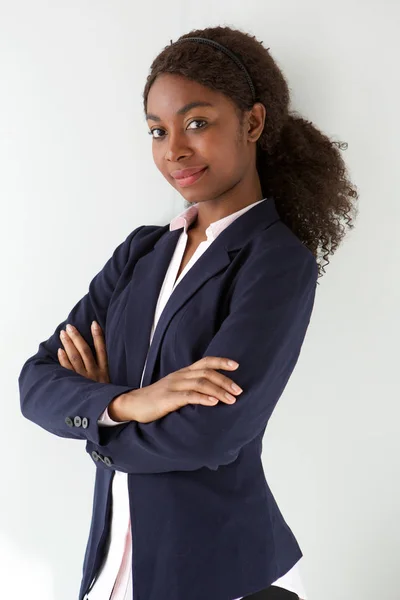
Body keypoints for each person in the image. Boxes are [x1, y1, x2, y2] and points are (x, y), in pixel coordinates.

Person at [18, 25, 358, 600]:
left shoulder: (275, 261)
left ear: (252, 123)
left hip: (224, 571)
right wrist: (130, 402)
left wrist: (101, 427)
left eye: (197, 123)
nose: (173, 148)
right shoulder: (140, 252)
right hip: (114, 566)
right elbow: (36, 382)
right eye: (157, 131)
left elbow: (212, 432)